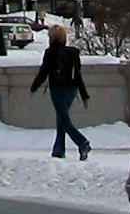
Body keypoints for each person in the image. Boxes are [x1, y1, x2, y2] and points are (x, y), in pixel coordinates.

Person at [29, 23, 91, 160]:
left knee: (64, 120)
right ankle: (58, 150)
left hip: (57, 89)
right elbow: (78, 75)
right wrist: (84, 95)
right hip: (72, 89)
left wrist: (34, 87)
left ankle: (82, 142)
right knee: (61, 119)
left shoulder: (50, 52)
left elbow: (43, 72)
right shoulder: (73, 53)